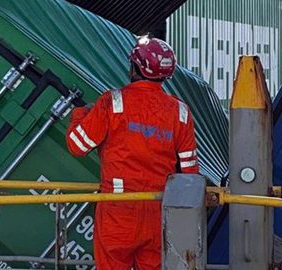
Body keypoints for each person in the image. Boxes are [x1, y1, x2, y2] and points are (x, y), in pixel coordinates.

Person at [65, 37, 197, 270]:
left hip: (118, 208)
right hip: (159, 209)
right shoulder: (181, 112)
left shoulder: (113, 102)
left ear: (134, 67)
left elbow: (77, 145)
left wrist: (81, 114)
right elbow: (190, 175)